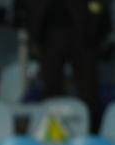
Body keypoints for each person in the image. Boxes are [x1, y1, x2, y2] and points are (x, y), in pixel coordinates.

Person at [26, 0, 110, 129]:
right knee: (51, 87)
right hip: (51, 27)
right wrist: (35, 33)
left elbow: (99, 5)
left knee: (88, 90)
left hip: (84, 27)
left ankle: (91, 132)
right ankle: (50, 132)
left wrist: (96, 27)